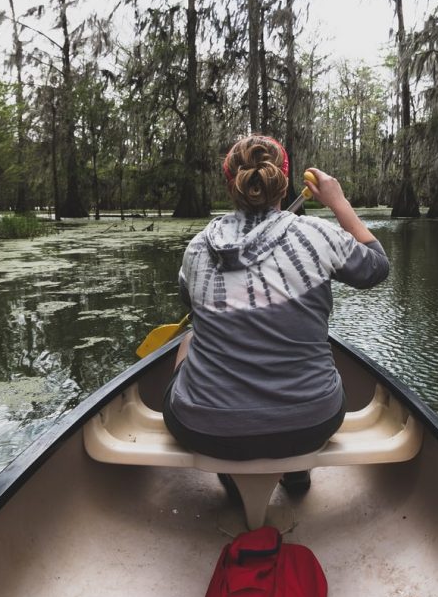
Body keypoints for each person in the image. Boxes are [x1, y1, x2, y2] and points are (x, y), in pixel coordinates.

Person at [163, 134, 389, 491]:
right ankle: (296, 473)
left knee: (190, 338)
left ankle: (232, 476)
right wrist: (338, 202)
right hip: (312, 423)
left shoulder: (196, 247)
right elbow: (377, 267)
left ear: (231, 185)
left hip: (204, 429)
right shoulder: (318, 234)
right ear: (282, 183)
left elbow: (189, 303)